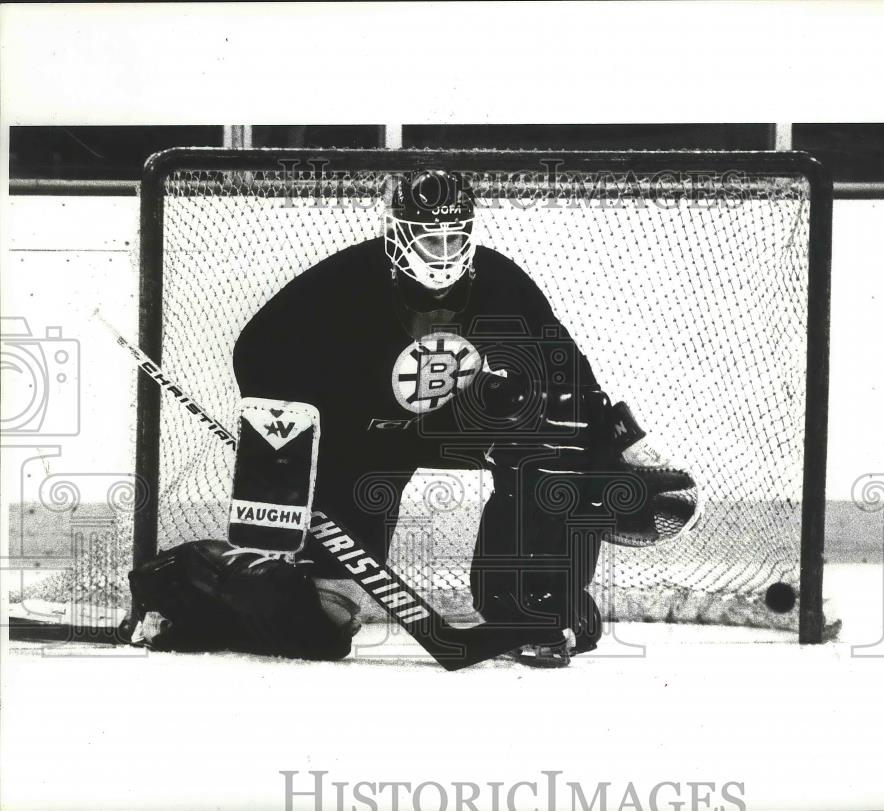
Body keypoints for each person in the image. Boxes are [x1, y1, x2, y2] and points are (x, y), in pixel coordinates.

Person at [131, 169, 697, 666]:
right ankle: (190, 578)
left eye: (456, 236)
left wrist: (618, 440)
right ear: (399, 235)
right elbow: (258, 351)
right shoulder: (345, 284)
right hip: (363, 441)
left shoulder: (499, 281)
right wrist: (295, 434)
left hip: (453, 428)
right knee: (323, 624)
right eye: (430, 238)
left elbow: (567, 374)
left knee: (555, 442)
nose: (444, 251)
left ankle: (529, 603)